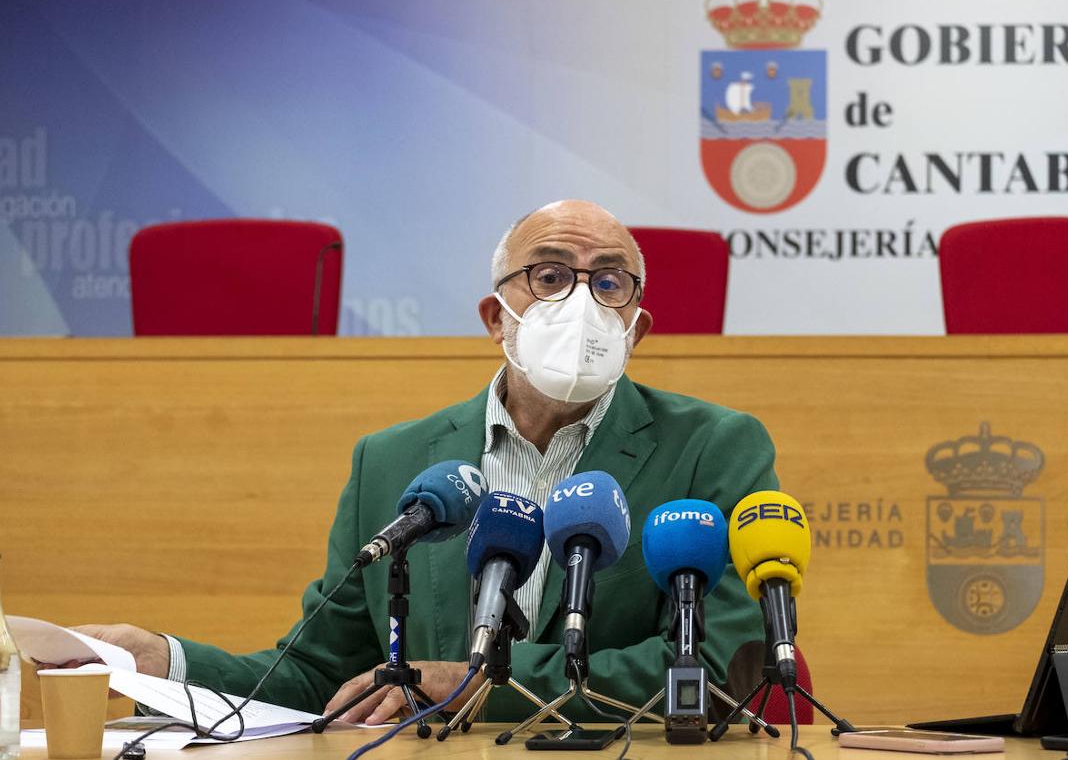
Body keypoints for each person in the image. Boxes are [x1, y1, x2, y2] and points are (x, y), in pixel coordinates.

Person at [73, 200, 779, 724]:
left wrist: (478, 682)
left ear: (637, 326)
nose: (580, 303)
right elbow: (324, 669)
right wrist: (164, 660)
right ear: (495, 316)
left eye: (608, 283)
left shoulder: (714, 447)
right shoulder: (393, 461)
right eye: (550, 275)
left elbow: (720, 668)